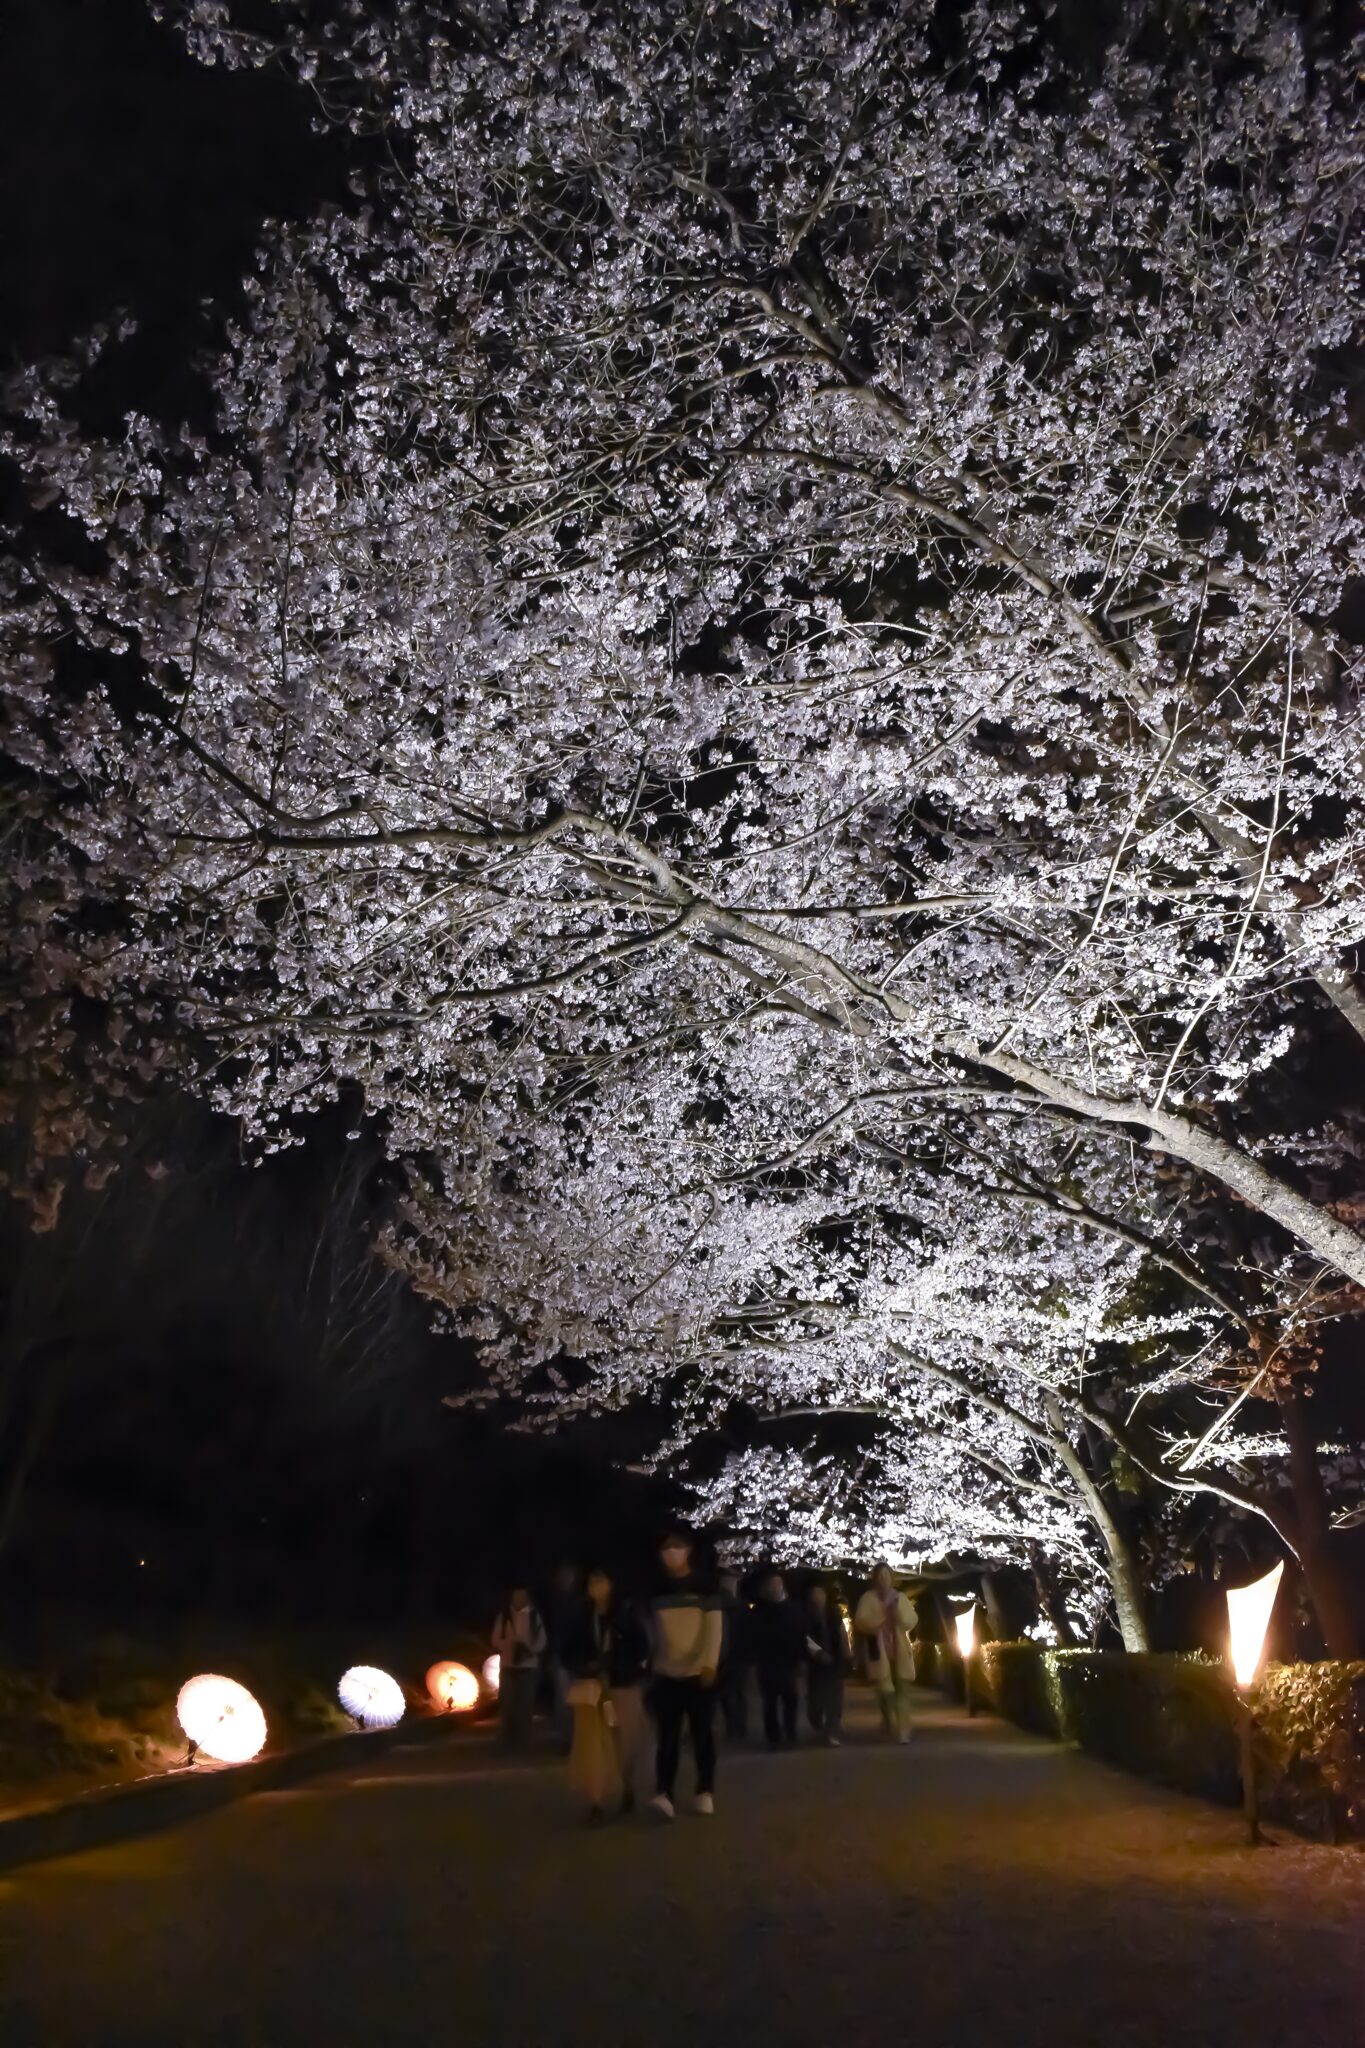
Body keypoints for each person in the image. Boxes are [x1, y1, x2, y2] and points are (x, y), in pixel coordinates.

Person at [647, 1528, 724, 1819]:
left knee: (702, 1734)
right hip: (666, 1673)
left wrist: (709, 1664)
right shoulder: (657, 1589)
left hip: (698, 1673)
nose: (671, 1552)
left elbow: (714, 1629)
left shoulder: (706, 1587)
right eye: (665, 1548)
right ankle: (664, 1792)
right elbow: (650, 1630)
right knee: (667, 1738)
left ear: (688, 1550)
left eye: (676, 1546)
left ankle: (705, 1790)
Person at [562, 1569, 624, 1824]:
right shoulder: (580, 1616)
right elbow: (567, 1650)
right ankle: (595, 1799)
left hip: (616, 1686)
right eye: (593, 1582)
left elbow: (635, 1645)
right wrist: (585, 1666)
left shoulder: (621, 1614)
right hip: (588, 1687)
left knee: (618, 1740)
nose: (597, 1587)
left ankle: (621, 1789)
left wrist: (613, 1664)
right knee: (590, 1744)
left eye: (602, 1581)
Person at [855, 1563, 918, 1743]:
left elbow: (911, 1620)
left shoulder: (900, 1597)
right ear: (875, 1578)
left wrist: (898, 1614)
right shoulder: (868, 1598)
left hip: (899, 1649)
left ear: (892, 1578)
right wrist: (881, 1617)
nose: (883, 1579)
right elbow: (861, 1621)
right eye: (880, 1575)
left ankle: (904, 1730)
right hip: (878, 1648)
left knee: (902, 1690)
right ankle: (887, 1716)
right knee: (885, 1689)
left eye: (886, 1575)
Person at [749, 1568, 807, 1747]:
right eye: (771, 1585)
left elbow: (802, 1635)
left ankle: (790, 1733)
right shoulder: (759, 1611)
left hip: (789, 1662)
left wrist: (802, 1658)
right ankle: (773, 1736)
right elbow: (753, 1637)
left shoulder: (794, 1610)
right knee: (770, 1702)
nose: (774, 1588)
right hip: (767, 1663)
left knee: (790, 1699)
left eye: (777, 1584)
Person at [492, 1586, 548, 1749]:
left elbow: (542, 1640)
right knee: (508, 1703)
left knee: (525, 1705)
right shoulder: (504, 1616)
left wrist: (529, 1650)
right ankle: (507, 1740)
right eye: (516, 1596)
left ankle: (523, 1741)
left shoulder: (534, 1616)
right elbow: (495, 1638)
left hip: (529, 1667)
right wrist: (509, 1646)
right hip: (508, 1666)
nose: (519, 1600)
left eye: (522, 1596)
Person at [542, 1561, 581, 1753]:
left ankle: (577, 1739)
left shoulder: (579, 1601)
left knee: (578, 1701)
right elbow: (549, 1631)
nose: (566, 1578)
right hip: (559, 1656)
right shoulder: (553, 1602)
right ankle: (566, 1739)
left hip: (576, 1657)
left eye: (569, 1574)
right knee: (562, 1701)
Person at [804, 1581, 849, 1744]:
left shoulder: (833, 1613)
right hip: (816, 1665)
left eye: (820, 1593)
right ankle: (819, 1724)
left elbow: (842, 1634)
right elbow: (805, 1639)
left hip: (835, 1661)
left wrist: (846, 1653)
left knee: (835, 1699)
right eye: (814, 1594)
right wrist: (819, 1653)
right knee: (816, 1700)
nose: (818, 1597)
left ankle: (832, 1731)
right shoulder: (806, 1616)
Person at [716, 1568, 751, 1741]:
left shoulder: (738, 1605)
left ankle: (736, 1724)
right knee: (732, 1691)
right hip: (729, 1654)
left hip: (734, 1654)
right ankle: (736, 1724)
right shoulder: (728, 1604)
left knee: (734, 1691)